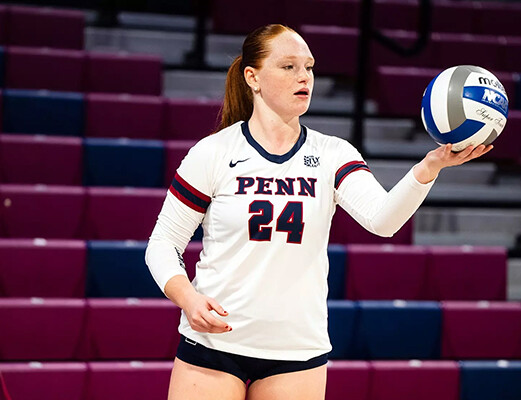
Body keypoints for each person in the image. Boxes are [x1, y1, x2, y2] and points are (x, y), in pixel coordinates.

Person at [145, 24, 492, 400]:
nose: (304, 77)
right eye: (289, 66)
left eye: (308, 67)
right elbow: (162, 244)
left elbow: (383, 221)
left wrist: (429, 168)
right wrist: (188, 299)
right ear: (253, 77)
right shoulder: (213, 152)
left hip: (297, 350)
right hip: (212, 346)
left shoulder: (333, 154)